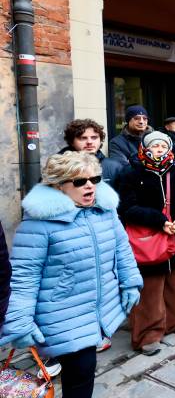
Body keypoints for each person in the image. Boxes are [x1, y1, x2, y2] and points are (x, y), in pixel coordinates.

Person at [1, 151, 143, 396]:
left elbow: (121, 248)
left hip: (96, 310)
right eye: (80, 181)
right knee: (81, 372)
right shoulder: (38, 223)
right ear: (58, 186)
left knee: (83, 373)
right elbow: (24, 275)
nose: (90, 186)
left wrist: (131, 281)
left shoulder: (105, 211)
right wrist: (19, 321)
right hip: (61, 314)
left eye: (94, 180)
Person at [119, 132, 175, 356]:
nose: (160, 148)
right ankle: (147, 335)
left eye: (164, 145)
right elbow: (127, 208)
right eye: (155, 145)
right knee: (150, 291)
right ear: (145, 148)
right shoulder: (132, 173)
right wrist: (160, 221)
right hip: (148, 240)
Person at [62, 118, 123, 190]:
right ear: (72, 142)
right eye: (83, 138)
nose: (89, 142)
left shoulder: (114, 167)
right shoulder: (60, 166)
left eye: (94, 137)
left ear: (100, 140)